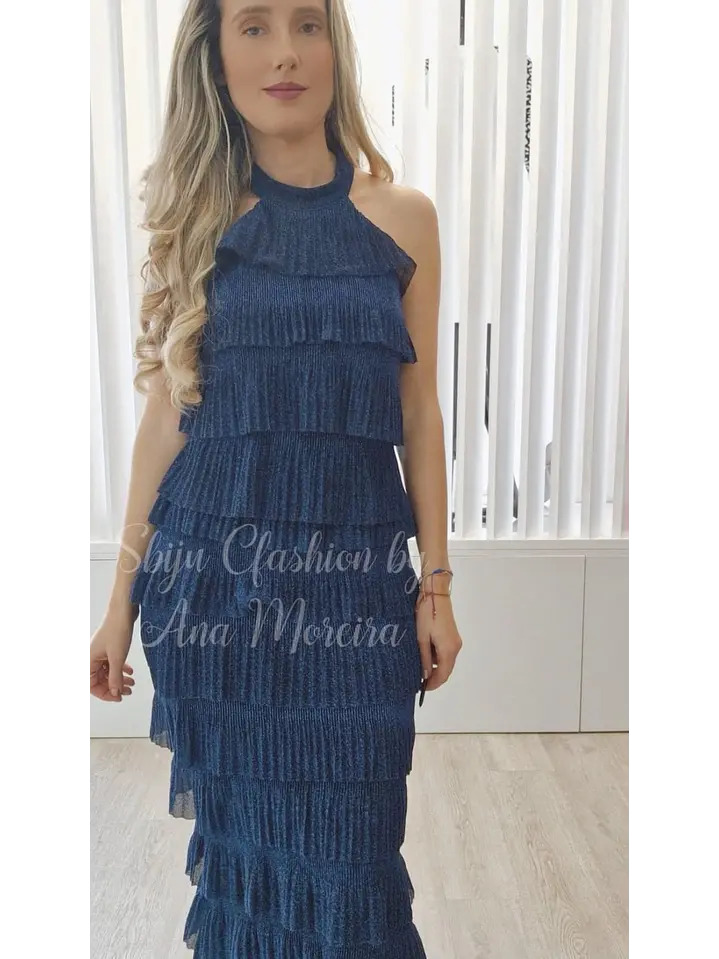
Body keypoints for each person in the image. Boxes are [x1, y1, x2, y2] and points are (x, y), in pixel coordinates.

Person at [88, 0, 463, 954]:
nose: (285, 53)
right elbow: (165, 420)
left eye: (307, 24)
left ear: (335, 47)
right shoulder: (196, 219)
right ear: (215, 61)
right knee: (246, 865)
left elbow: (418, 413)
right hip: (213, 600)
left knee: (356, 863)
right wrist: (118, 602)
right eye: (253, 27)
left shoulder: (402, 218)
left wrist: (436, 585)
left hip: (355, 600)